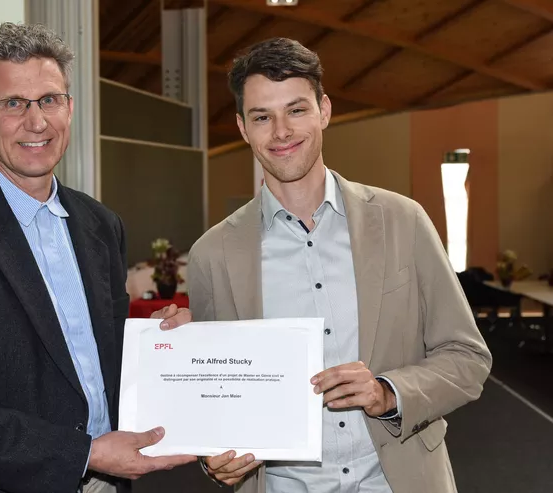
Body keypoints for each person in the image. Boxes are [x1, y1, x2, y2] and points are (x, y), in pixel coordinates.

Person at [0, 22, 194, 493]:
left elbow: (97, 360)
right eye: (12, 104)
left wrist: (168, 345)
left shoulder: (101, 225)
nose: (37, 121)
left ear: (69, 107)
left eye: (49, 100)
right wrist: (83, 454)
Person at [185, 38, 492, 493]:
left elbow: (467, 358)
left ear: (324, 111)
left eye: (296, 110)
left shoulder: (403, 221)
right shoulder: (212, 255)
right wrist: (212, 458)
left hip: (398, 481)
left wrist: (387, 392)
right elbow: (215, 398)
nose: (281, 131)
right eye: (262, 117)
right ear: (242, 128)